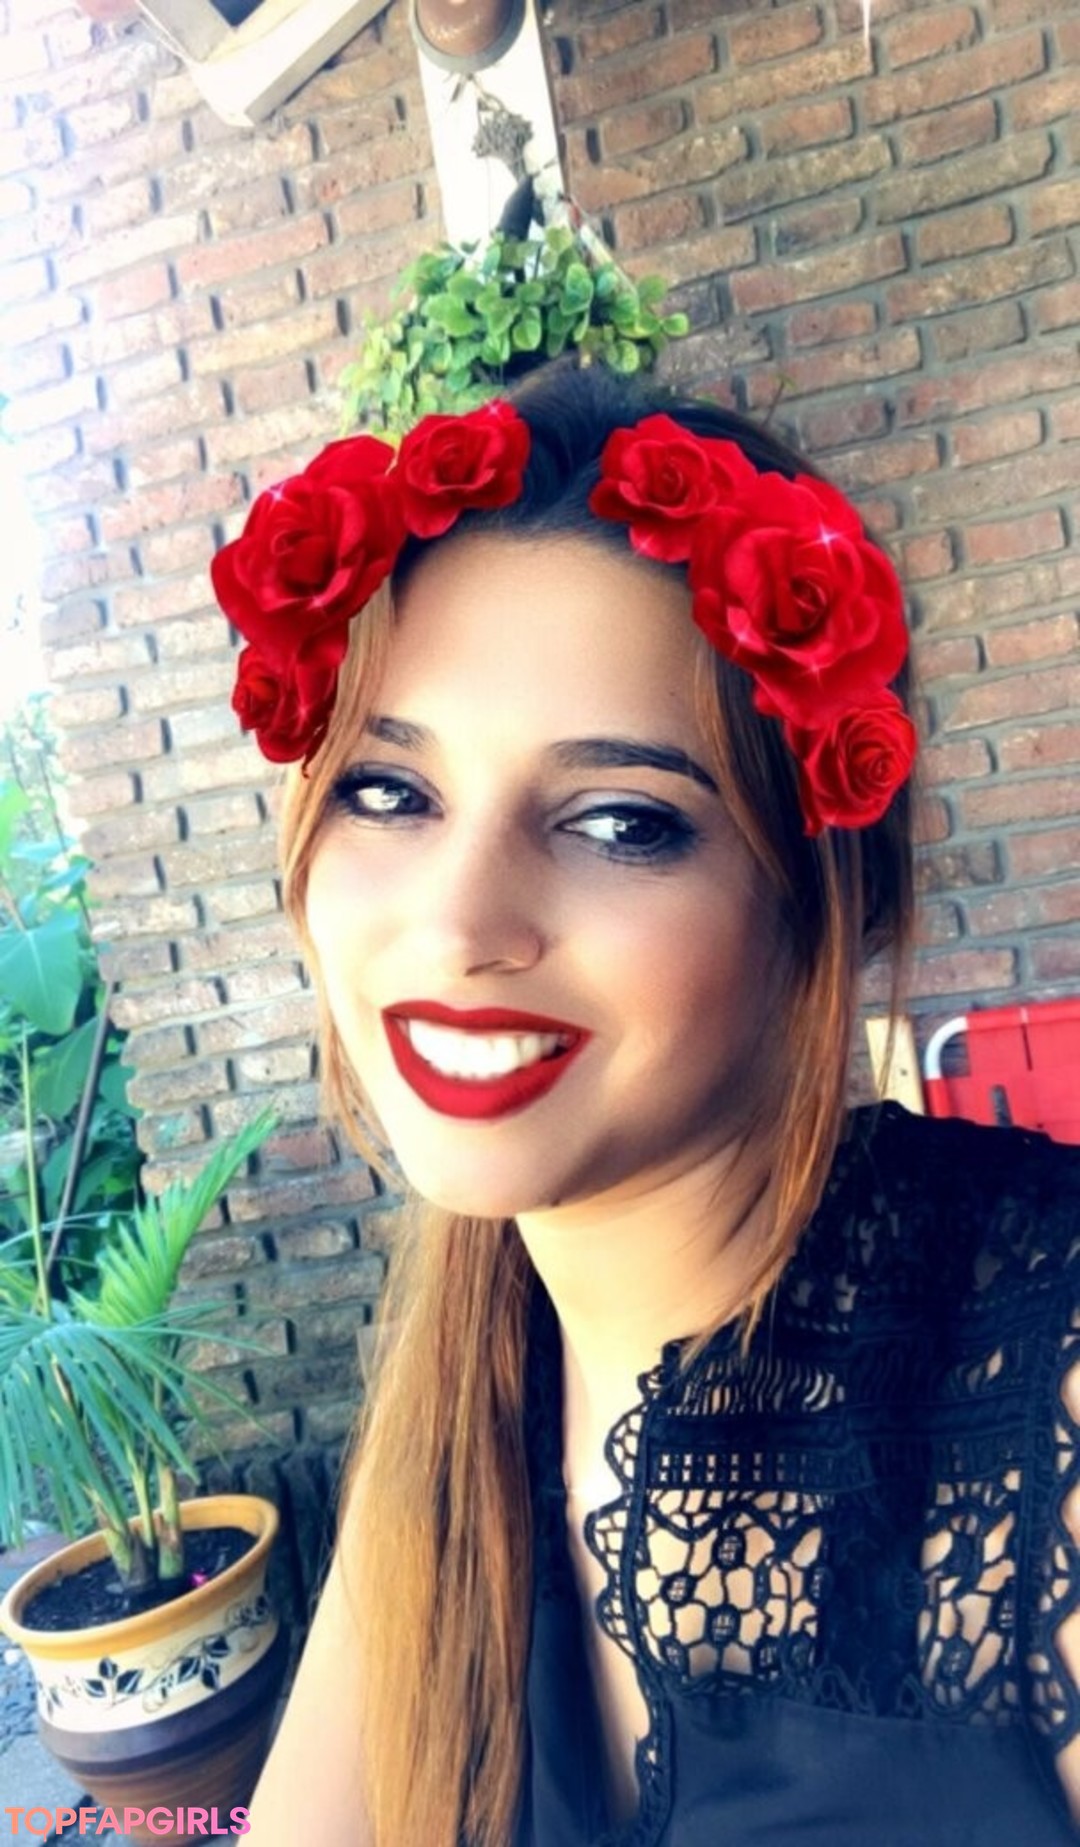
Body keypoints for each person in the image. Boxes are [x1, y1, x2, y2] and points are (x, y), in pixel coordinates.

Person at [210, 364, 1080, 1847]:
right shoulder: (457, 1403)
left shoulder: (1039, 1384)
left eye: (621, 822)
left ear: (829, 903)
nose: (460, 924)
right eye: (389, 791)